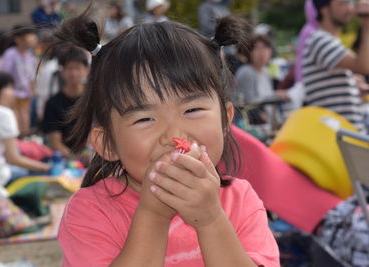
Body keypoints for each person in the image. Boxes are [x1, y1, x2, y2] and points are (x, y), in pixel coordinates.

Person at [50, 6, 279, 266]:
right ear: (107, 143)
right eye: (145, 119)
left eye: (192, 110)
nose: (174, 134)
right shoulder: (90, 212)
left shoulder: (241, 202)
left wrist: (211, 219)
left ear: (226, 120)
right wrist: (153, 214)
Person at [0, 72, 50, 187]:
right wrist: (45, 168)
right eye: (10, 88)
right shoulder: (3, 113)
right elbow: (13, 158)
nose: (13, 93)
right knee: (33, 172)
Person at [302, 0, 369, 132]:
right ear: (324, 9)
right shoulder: (319, 40)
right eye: (343, 3)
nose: (350, 9)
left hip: (343, 134)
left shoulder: (330, 41)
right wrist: (367, 26)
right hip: (337, 138)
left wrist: (352, 84)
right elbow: (363, 65)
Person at [43, 46, 90, 157]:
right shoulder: (52, 103)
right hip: (66, 158)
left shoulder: (94, 99)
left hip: (93, 154)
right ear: (62, 72)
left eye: (78, 68)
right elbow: (55, 142)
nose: (73, 73)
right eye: (69, 68)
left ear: (87, 71)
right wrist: (74, 159)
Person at [235, 35, 287, 125]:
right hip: (253, 121)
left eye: (265, 48)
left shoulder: (265, 71)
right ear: (249, 52)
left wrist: (275, 94)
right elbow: (249, 102)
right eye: (257, 49)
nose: (262, 52)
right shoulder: (246, 72)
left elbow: (265, 95)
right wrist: (274, 95)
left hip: (269, 118)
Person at [1, 24, 38, 137]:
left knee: (25, 121)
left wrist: (31, 92)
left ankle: (24, 141)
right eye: (28, 35)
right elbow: (5, 75)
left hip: (26, 95)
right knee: (15, 122)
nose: (32, 38)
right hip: (13, 94)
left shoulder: (30, 56)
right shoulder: (10, 54)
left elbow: (31, 78)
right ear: (17, 39)